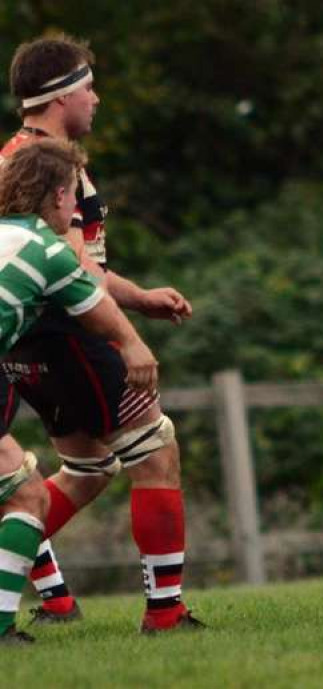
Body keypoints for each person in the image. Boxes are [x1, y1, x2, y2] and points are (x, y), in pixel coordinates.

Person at [1, 34, 200, 632]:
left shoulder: (15, 152)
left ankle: (48, 597)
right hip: (68, 334)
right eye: (89, 87)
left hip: (26, 343)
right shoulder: (46, 163)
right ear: (61, 96)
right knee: (156, 450)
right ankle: (166, 613)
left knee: (86, 468)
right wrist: (136, 307)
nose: (98, 98)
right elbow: (68, 264)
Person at [0, 139, 158, 643]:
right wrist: (134, 347)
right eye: (74, 195)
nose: (77, 207)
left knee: (19, 488)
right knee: (26, 495)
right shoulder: (48, 250)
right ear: (60, 195)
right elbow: (97, 308)